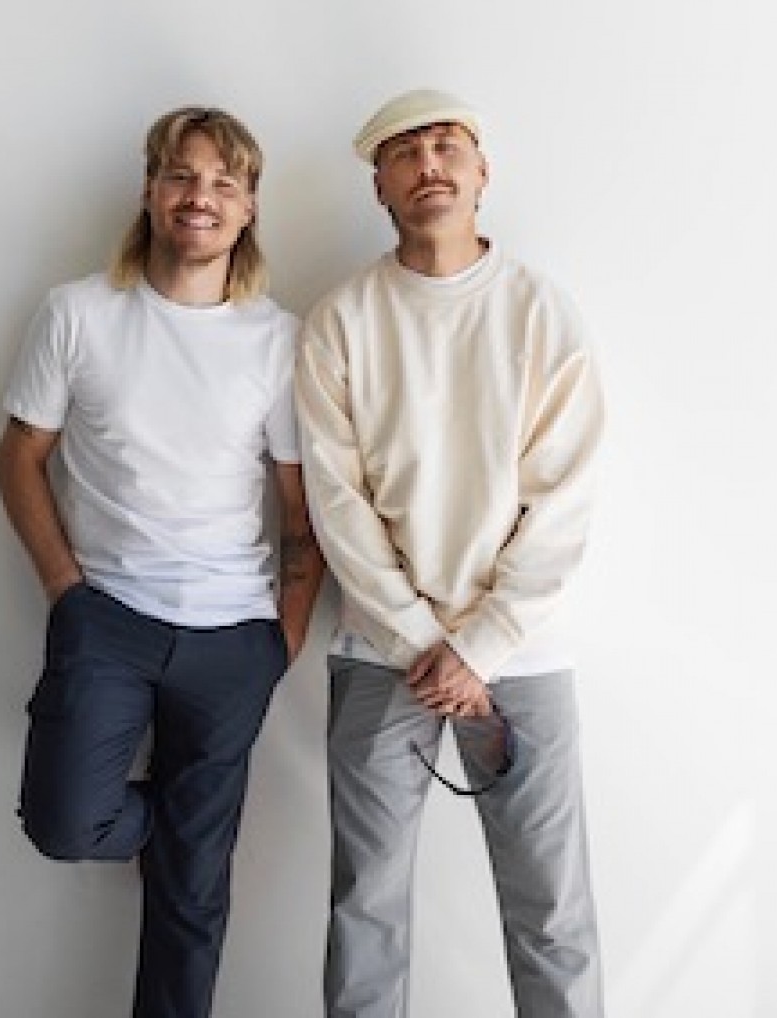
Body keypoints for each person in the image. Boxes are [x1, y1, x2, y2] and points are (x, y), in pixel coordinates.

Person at [0, 105, 324, 1018]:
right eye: (181, 175)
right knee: (68, 822)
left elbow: (300, 509)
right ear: (149, 190)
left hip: (234, 637)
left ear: (249, 208)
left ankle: (184, 852)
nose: (200, 197)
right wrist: (66, 590)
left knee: (193, 896)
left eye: (224, 183)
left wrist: (282, 640)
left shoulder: (277, 339)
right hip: (108, 622)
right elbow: (19, 454)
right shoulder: (77, 312)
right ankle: (176, 829)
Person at [295, 88, 605, 1017]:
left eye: (445, 146)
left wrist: (481, 645)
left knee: (551, 911)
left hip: (521, 654)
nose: (427, 165)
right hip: (379, 652)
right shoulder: (341, 320)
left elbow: (563, 497)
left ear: (480, 173)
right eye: (404, 153)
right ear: (379, 187)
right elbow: (335, 499)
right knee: (364, 910)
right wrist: (419, 640)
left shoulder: (539, 310)